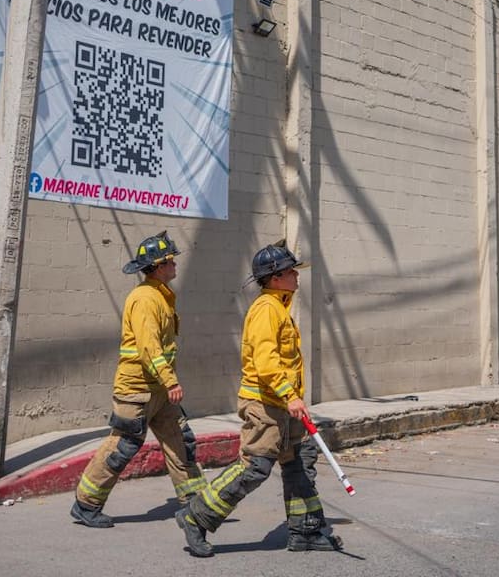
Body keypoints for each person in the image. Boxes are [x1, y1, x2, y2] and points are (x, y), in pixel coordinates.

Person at [175, 239, 343, 557]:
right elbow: (267, 362)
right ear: (276, 276)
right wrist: (288, 395)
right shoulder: (267, 309)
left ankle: (306, 530)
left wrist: (291, 398)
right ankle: (196, 516)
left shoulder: (279, 307)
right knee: (255, 467)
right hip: (267, 405)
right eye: (291, 271)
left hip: (284, 403)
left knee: (299, 462)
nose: (297, 276)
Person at [70, 231, 206, 528]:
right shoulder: (145, 299)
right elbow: (149, 348)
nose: (174, 265)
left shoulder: (161, 295)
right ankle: (86, 504)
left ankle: (194, 503)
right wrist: (171, 381)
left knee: (180, 441)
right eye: (170, 260)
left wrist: (166, 383)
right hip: (137, 390)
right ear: (158, 267)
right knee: (123, 446)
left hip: (157, 389)